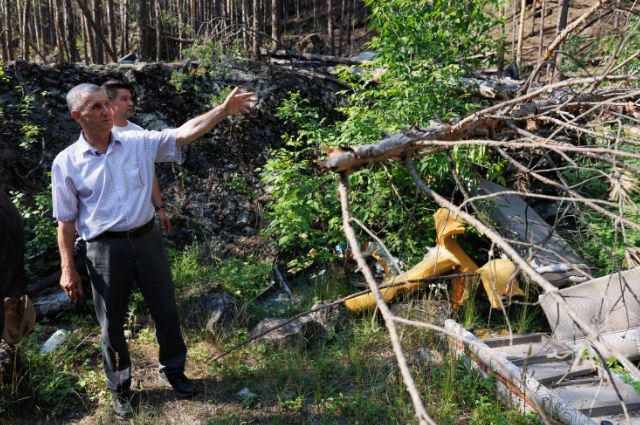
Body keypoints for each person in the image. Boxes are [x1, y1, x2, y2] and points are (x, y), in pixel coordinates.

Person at [51, 83, 256, 418]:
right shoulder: (66, 163)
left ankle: (174, 371)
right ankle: (120, 388)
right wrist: (67, 268)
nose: (106, 112)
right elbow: (66, 221)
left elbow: (183, 134)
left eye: (107, 104)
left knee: (166, 311)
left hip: (147, 241)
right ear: (78, 116)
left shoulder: (136, 142)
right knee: (111, 325)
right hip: (103, 250)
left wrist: (222, 110)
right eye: (96, 107)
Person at [101, 79, 171, 232]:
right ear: (109, 103)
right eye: (124, 99)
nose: (131, 103)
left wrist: (160, 207)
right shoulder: (100, 135)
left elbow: (149, 173)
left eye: (131, 98)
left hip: (143, 224)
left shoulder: (138, 133)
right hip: (110, 227)